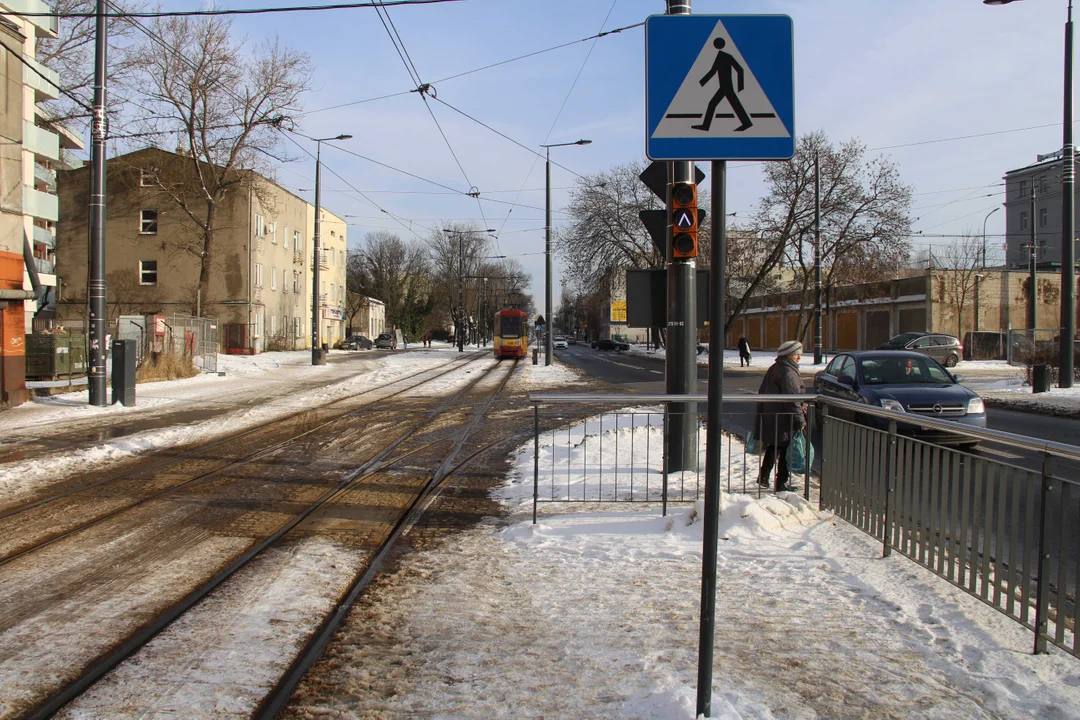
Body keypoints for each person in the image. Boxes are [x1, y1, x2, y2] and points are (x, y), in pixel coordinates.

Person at [755, 340, 806, 492]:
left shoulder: (776, 367)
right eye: (797, 354)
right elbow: (792, 399)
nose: (799, 357)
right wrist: (799, 420)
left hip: (774, 414)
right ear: (789, 354)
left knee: (775, 445)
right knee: (785, 449)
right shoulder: (787, 371)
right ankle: (781, 483)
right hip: (784, 417)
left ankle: (764, 477)